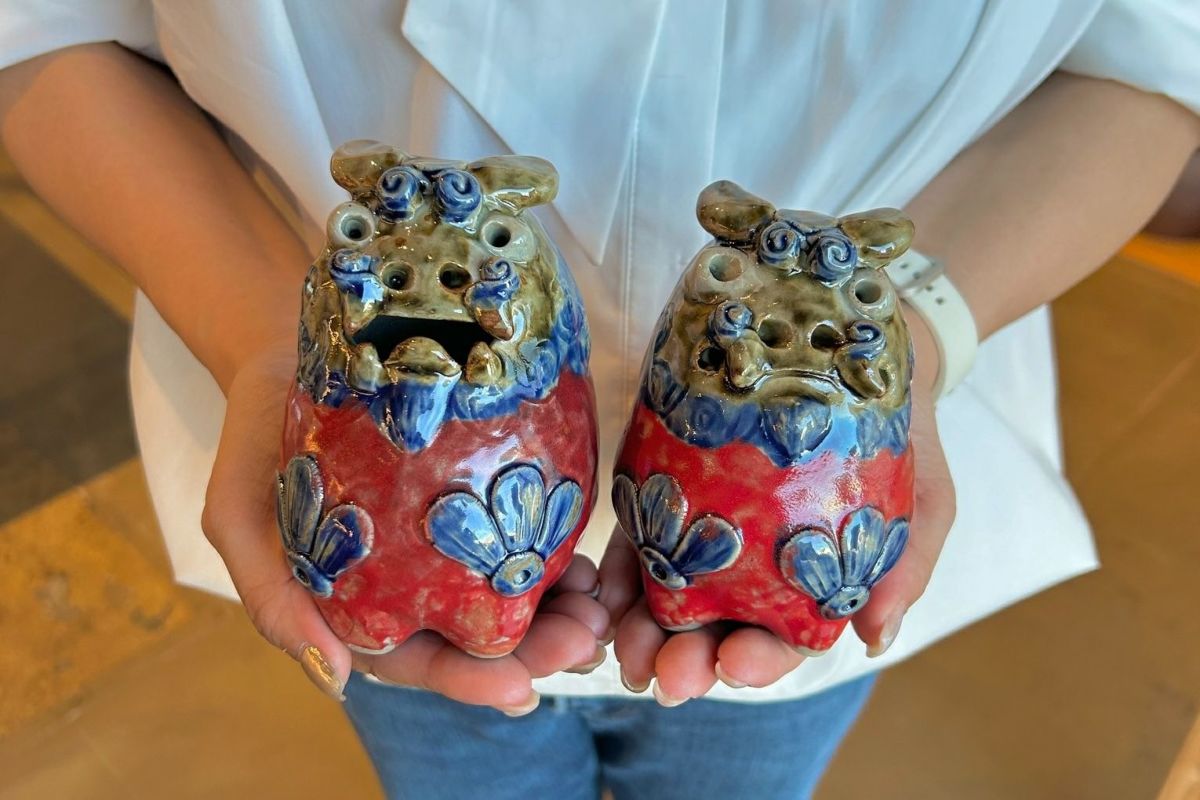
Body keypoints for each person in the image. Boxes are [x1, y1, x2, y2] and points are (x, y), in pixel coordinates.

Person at [1, 2, 1197, 797]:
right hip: (310, 381)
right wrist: (271, 341)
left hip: (843, 462)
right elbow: (46, 27)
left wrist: (919, 331)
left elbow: (1159, 54)